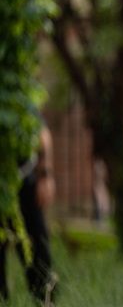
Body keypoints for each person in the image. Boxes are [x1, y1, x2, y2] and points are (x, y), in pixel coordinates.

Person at [0, 124, 57, 304]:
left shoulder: (12, 97)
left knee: (37, 255)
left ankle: (44, 300)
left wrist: (45, 175)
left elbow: (42, 131)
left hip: (22, 181)